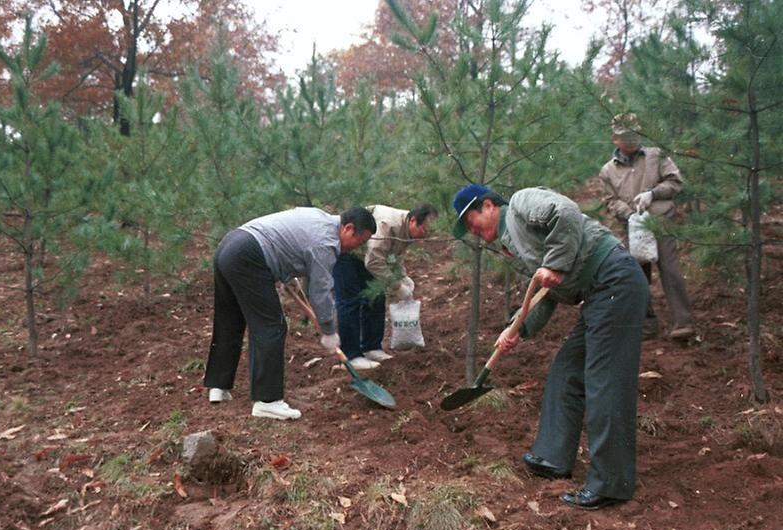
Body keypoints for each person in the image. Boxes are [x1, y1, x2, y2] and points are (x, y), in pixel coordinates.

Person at [452, 183, 648, 510]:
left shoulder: (519, 204)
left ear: (487, 205)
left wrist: (554, 263)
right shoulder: (511, 246)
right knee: (566, 371)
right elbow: (546, 293)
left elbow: (566, 212)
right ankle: (552, 457)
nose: (470, 229)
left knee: (605, 381)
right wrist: (518, 326)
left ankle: (611, 484)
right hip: (599, 296)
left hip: (616, 281)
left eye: (470, 219)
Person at [203, 207, 377, 420]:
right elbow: (320, 292)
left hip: (230, 245)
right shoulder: (327, 243)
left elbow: (291, 239)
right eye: (359, 242)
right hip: (250, 255)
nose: (355, 248)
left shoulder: (320, 218)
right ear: (348, 228)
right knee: (271, 327)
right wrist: (329, 330)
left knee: (230, 319)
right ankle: (267, 401)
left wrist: (285, 271)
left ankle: (218, 386)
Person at [598, 113, 695, 340]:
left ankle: (684, 323)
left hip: (660, 221)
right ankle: (646, 324)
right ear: (615, 139)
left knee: (670, 271)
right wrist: (629, 213)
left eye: (634, 134)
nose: (631, 140)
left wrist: (653, 194)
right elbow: (609, 200)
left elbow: (675, 182)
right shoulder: (608, 171)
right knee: (637, 275)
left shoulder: (656, 156)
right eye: (625, 136)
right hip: (632, 226)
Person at [332, 204, 439, 369]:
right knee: (350, 302)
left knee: (376, 297)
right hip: (348, 252)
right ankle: (351, 356)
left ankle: (371, 347)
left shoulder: (408, 231)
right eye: (424, 229)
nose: (425, 235)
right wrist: (397, 286)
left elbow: (395, 254)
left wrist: (402, 276)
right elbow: (374, 260)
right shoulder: (387, 225)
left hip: (366, 257)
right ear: (413, 220)